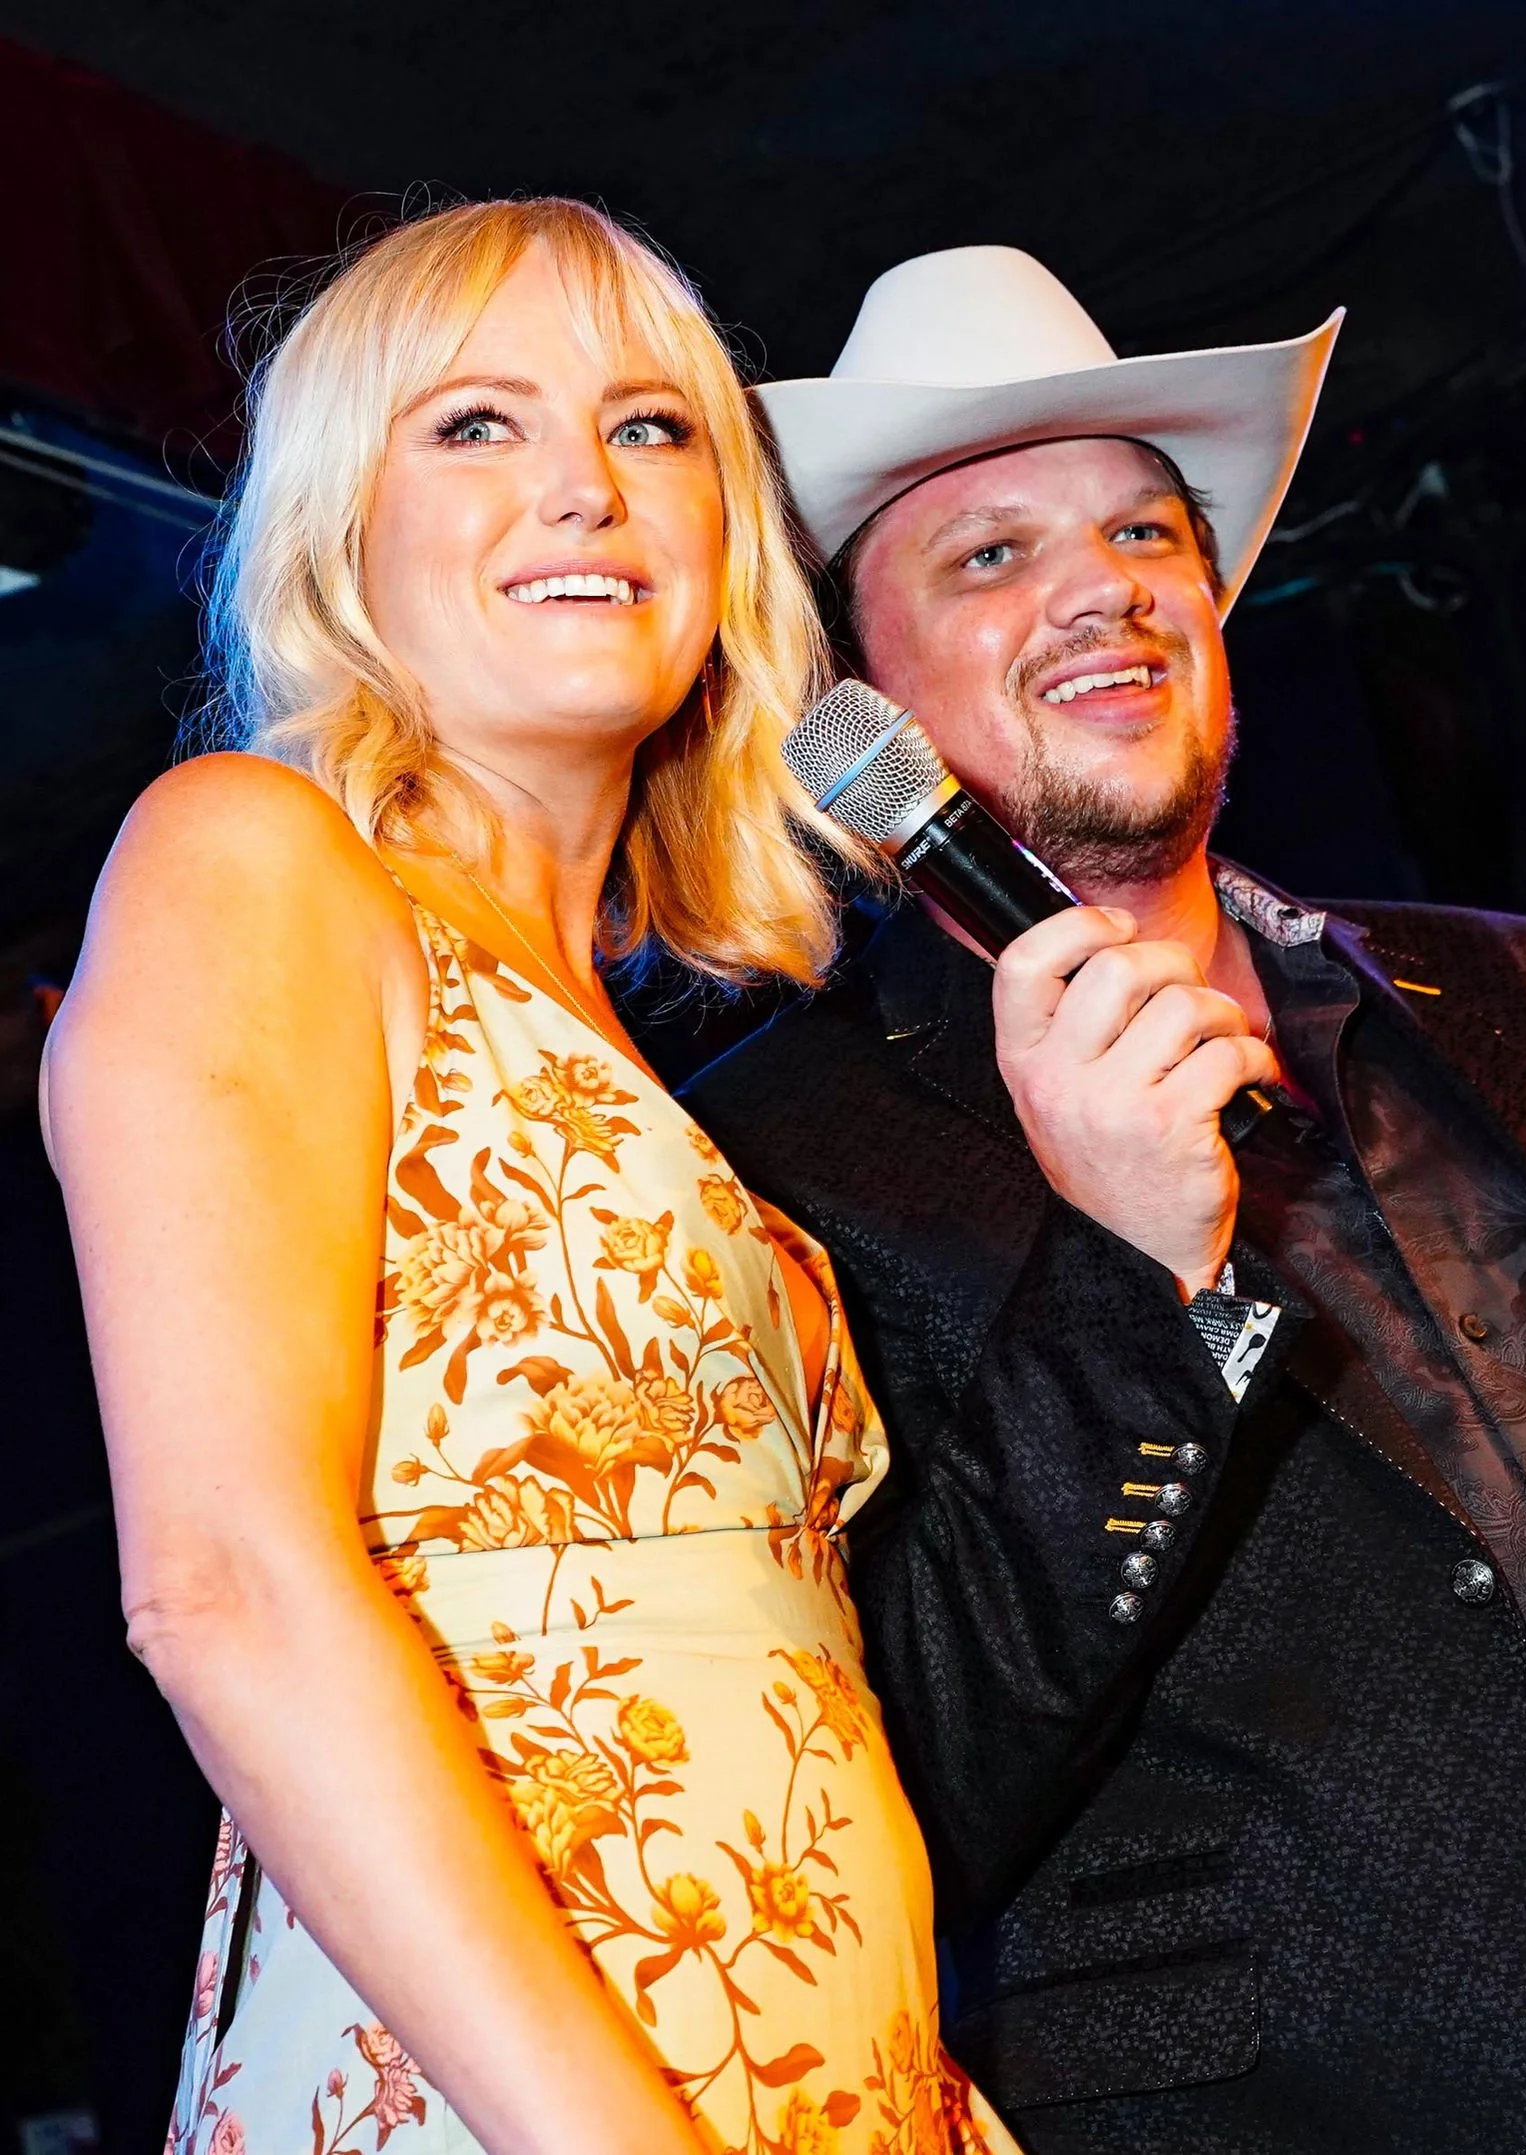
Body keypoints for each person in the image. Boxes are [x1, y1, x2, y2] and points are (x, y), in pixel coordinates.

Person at [41, 201, 1020, 2155]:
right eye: (477, 424)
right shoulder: (254, 857)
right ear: (343, 529)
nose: (587, 483)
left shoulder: (622, 1053)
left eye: (652, 427)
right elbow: (223, 1584)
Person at [685, 245, 1526, 2152]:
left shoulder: (1523, 983)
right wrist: (1129, 1271)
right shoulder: (767, 1154)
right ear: (857, 703)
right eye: (991, 555)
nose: (1102, 588)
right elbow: (882, 1787)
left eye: (1140, 533)